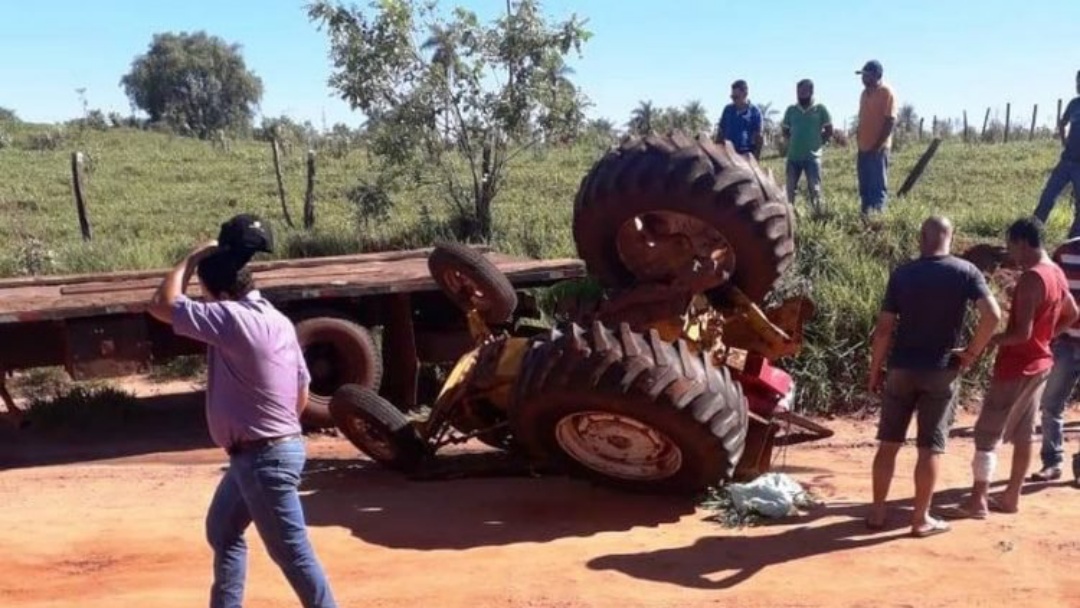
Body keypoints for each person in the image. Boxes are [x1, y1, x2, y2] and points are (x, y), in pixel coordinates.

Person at [147, 215, 338, 608]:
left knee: (293, 555)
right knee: (223, 529)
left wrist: (192, 257)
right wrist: (278, 428)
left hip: (262, 457)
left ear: (217, 294)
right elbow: (301, 391)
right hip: (265, 452)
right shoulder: (277, 320)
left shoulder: (231, 319)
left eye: (203, 294)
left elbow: (161, 305)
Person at [866, 216, 1001, 538]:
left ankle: (876, 512)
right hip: (941, 370)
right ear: (950, 239)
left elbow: (884, 329)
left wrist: (874, 370)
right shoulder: (965, 272)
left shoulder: (903, 274)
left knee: (888, 444)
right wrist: (971, 353)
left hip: (900, 369)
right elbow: (993, 315)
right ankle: (919, 519)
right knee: (930, 448)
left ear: (920, 238)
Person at [943, 218, 1078, 520]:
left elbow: (1021, 334)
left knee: (987, 434)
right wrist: (1051, 335)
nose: (1011, 253)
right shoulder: (1055, 272)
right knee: (1024, 434)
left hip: (1018, 365)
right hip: (1041, 363)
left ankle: (977, 501)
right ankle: (1011, 496)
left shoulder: (1032, 278)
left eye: (1012, 245)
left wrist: (990, 341)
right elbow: (1073, 312)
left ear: (1023, 242)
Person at [1030, 234, 1080, 482]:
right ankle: (1052, 462)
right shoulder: (1065, 251)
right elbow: (1054, 291)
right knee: (1051, 404)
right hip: (1066, 343)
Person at [1033, 70, 1080, 237]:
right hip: (1066, 160)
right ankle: (1032, 236)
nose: (1078, 86)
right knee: (1047, 196)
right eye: (1077, 82)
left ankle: (1073, 243)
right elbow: (1063, 123)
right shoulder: (1074, 104)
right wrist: (1064, 141)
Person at [781, 79, 834, 215]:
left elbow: (829, 130)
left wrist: (818, 142)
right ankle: (790, 217)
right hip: (793, 156)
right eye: (799, 91)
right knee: (790, 190)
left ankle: (816, 216)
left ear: (811, 91)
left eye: (804, 91)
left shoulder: (820, 109)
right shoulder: (791, 110)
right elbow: (785, 130)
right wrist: (792, 141)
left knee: (814, 189)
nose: (801, 94)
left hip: (813, 157)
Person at [855, 60, 897, 215]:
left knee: (877, 187)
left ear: (877, 75)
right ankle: (865, 216)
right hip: (863, 147)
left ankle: (877, 220)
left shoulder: (886, 92)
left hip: (878, 148)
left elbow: (890, 121)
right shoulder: (864, 94)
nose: (863, 78)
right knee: (864, 186)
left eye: (867, 75)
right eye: (862, 75)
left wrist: (878, 145)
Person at [716, 79, 763, 158]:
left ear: (745, 94)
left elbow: (758, 137)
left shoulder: (755, 112)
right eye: (732, 97)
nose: (733, 99)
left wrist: (755, 159)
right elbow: (721, 132)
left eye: (736, 97)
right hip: (727, 154)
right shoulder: (727, 110)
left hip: (745, 155)